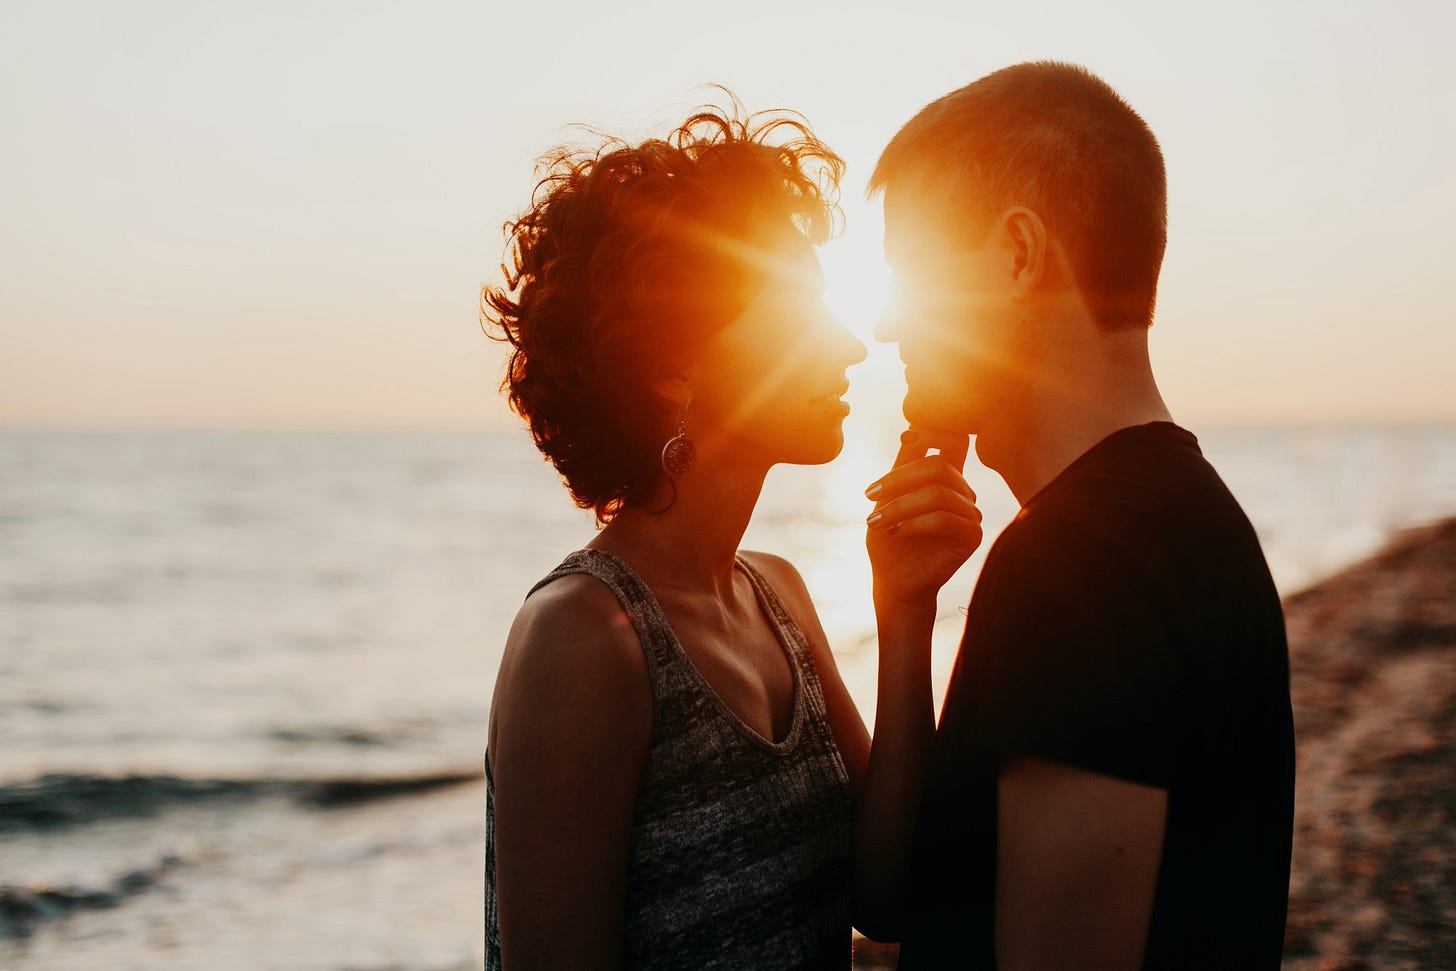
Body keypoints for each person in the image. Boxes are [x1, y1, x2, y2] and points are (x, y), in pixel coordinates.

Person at [479, 97, 982, 969]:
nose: (851, 348)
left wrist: (904, 610)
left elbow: (890, 894)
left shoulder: (777, 593)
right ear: (673, 365)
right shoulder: (581, 640)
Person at [857, 62, 1297, 968]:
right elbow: (901, 900)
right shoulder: (1167, 520)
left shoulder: (1087, 564)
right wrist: (905, 617)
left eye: (911, 272)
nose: (889, 328)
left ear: (1018, 255)